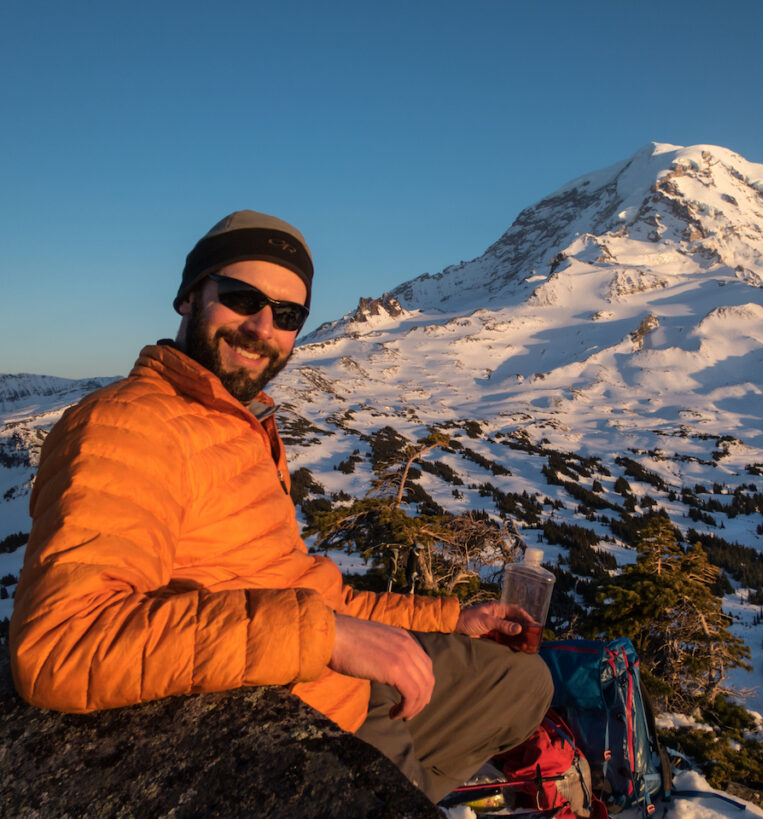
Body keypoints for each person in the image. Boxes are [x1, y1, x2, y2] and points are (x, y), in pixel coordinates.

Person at [9, 210, 552, 802]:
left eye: (288, 315)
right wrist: (327, 639)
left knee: (524, 683)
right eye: (242, 298)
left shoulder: (241, 422)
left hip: (323, 667)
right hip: (294, 705)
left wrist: (453, 619)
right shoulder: (128, 425)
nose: (262, 327)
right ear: (190, 297)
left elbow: (311, 594)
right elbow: (60, 645)